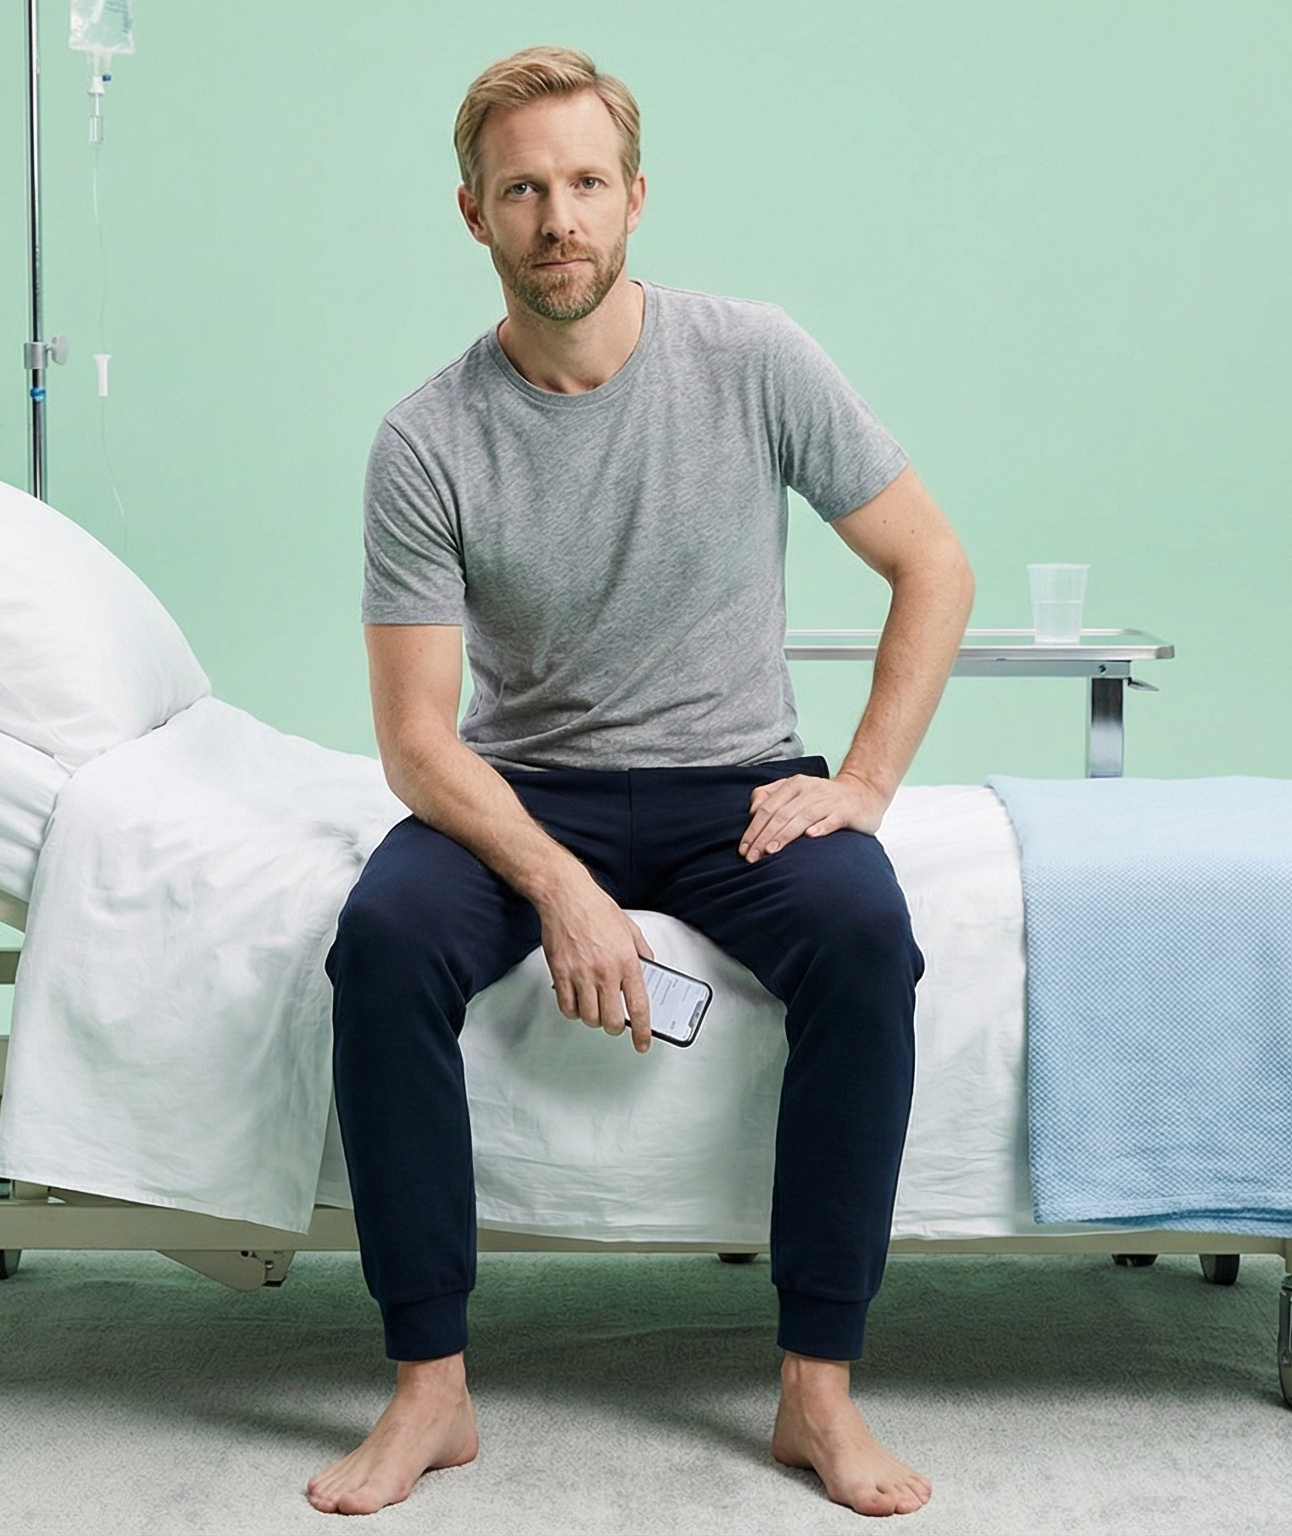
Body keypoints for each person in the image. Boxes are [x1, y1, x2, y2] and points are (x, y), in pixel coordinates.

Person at [308, 45, 974, 1519]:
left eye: (586, 183)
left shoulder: (754, 358)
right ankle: (431, 1392)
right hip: (525, 789)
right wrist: (556, 880)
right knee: (385, 941)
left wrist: (859, 784)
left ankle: (817, 1392)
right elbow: (420, 739)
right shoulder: (426, 439)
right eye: (524, 189)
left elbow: (934, 563)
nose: (560, 218)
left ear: (635, 198)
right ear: (473, 214)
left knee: (867, 936)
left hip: (738, 785)